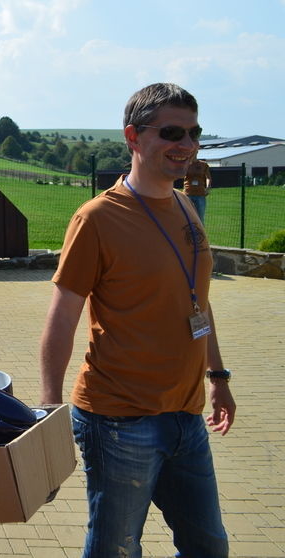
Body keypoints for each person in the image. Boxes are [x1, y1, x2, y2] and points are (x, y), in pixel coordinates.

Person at [39, 83, 235, 558]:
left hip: (185, 415)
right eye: (171, 132)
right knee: (117, 549)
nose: (186, 144)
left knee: (209, 546)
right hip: (118, 419)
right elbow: (61, 320)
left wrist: (218, 376)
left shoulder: (186, 207)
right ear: (133, 136)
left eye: (193, 133)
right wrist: (49, 409)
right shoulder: (97, 218)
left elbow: (197, 299)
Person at [184, 156, 212, 223]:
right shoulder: (185, 163)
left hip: (200, 194)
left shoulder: (203, 164)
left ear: (197, 152)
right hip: (188, 194)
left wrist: (208, 188)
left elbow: (208, 177)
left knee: (200, 218)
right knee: (187, 217)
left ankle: (200, 230)